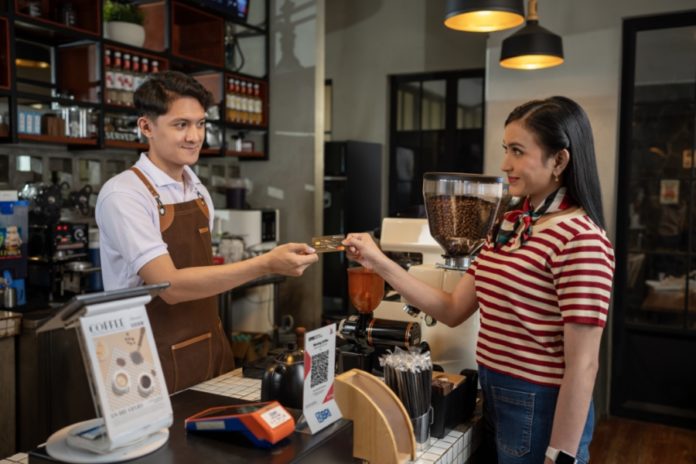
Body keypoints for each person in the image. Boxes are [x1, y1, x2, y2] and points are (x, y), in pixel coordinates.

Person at [343, 96, 614, 464]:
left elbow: (584, 365)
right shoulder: (510, 224)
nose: (505, 164)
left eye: (518, 151)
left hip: (541, 407)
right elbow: (452, 309)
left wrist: (560, 455)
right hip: (495, 394)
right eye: (506, 149)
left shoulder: (581, 239)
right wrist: (378, 261)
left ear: (559, 160)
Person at [96, 71, 318, 393]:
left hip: (206, 346)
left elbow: (201, 271)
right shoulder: (124, 194)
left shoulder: (197, 189)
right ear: (146, 127)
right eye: (181, 125)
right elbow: (170, 286)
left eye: (200, 124)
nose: (194, 136)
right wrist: (265, 263)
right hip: (142, 358)